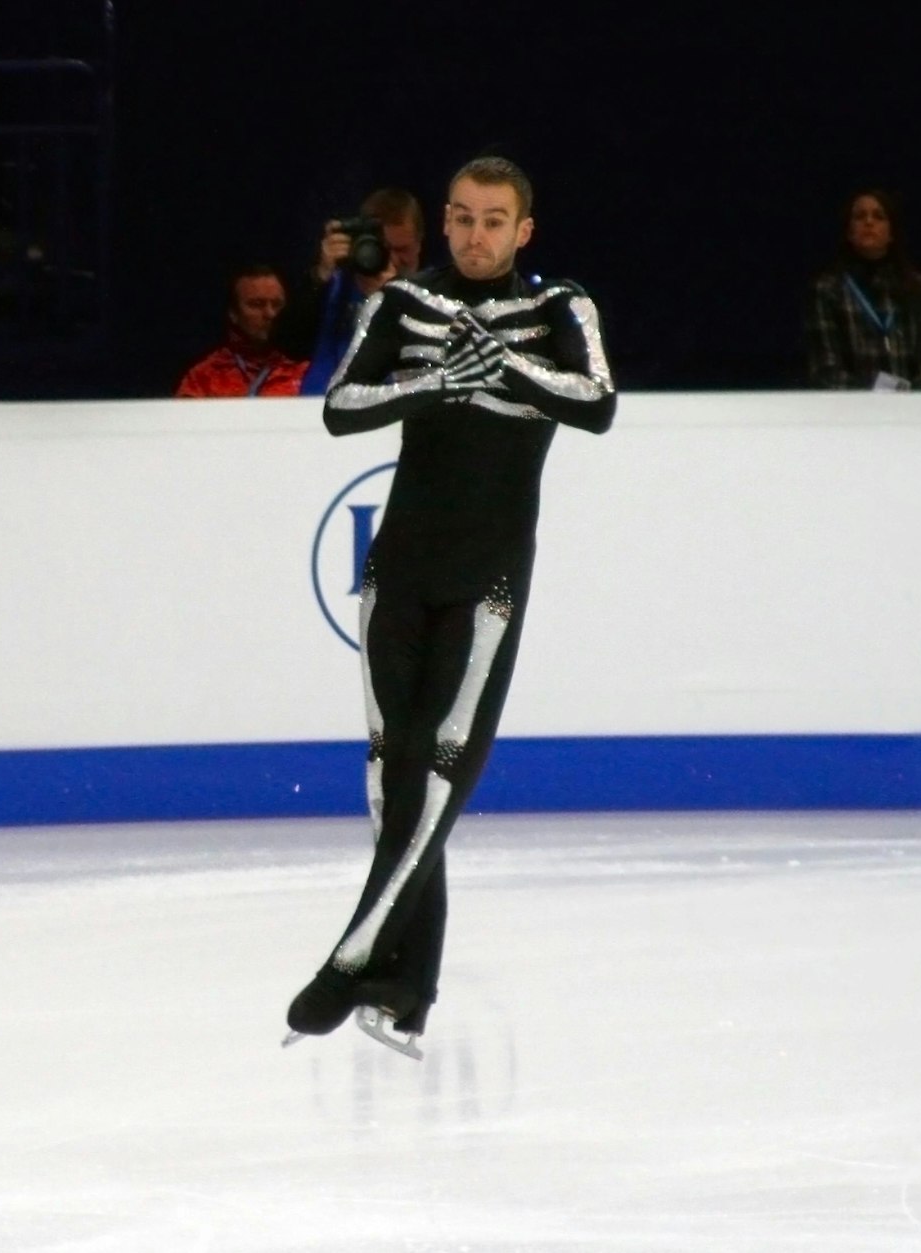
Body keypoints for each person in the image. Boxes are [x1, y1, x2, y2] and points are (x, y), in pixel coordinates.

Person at [282, 156, 616, 1058]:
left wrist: (499, 357)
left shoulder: (558, 310)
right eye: (463, 219)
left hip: (488, 580)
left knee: (438, 771)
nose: (476, 236)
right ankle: (408, 990)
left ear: (524, 231)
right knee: (392, 773)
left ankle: (352, 957)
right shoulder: (403, 307)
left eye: (494, 221)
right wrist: (436, 382)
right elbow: (341, 407)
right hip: (399, 570)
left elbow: (598, 403)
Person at [273, 188, 426, 395]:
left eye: (402, 249)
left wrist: (392, 299)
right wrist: (319, 278)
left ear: (419, 244)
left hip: (396, 412)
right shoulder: (333, 286)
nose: (392, 260)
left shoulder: (434, 294)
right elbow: (286, 345)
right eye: (384, 248)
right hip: (323, 412)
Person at [804, 188, 921, 390]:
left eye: (879, 216)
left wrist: (910, 397)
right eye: (860, 217)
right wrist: (879, 393)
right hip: (851, 409)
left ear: (891, 233)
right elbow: (826, 372)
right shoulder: (827, 289)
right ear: (849, 232)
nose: (869, 222)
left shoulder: (918, 287)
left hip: (911, 409)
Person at [174, 265, 309, 398]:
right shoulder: (203, 377)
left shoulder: (304, 372)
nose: (270, 314)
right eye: (257, 304)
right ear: (233, 313)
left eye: (277, 304)